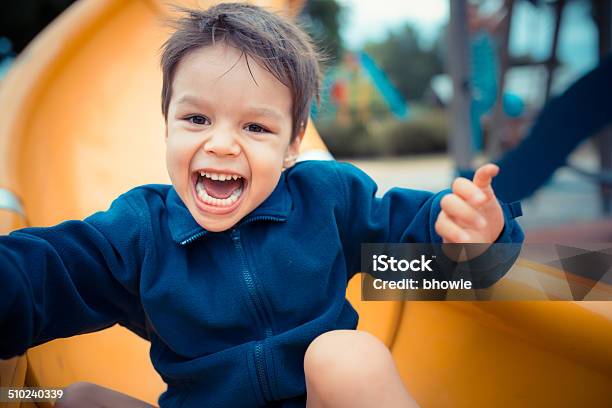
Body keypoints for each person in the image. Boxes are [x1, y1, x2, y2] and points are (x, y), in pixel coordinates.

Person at [0, 3, 524, 407]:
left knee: (343, 353)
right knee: (74, 398)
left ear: (292, 145)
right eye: (197, 120)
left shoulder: (328, 201)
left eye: (255, 127)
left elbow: (418, 259)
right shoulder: (143, 233)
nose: (223, 144)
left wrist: (473, 236)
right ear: (166, 126)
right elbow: (54, 272)